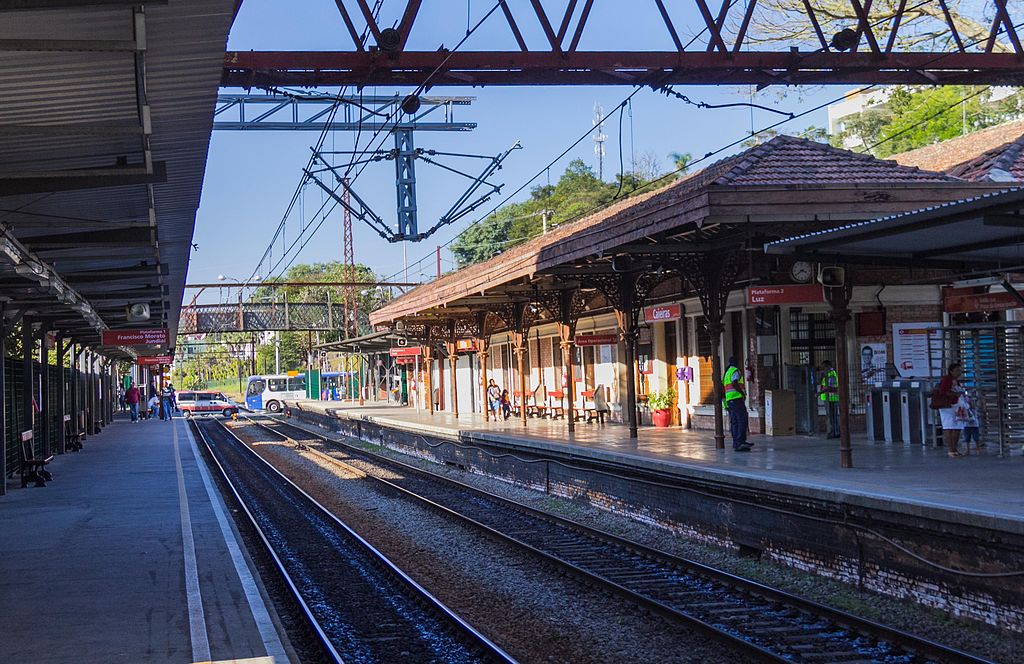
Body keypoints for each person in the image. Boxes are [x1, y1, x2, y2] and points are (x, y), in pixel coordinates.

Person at [935, 363, 967, 457]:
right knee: (949, 427)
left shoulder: (956, 381)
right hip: (947, 406)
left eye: (960, 370)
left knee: (957, 427)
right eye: (957, 370)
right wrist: (954, 394)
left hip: (957, 405)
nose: (959, 372)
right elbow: (943, 391)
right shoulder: (946, 379)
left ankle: (955, 449)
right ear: (951, 371)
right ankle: (951, 450)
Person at [722, 356, 750, 451]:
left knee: (735, 421)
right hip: (736, 398)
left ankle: (736, 443)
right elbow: (734, 383)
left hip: (730, 400)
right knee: (742, 419)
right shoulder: (735, 371)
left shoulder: (727, 372)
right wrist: (742, 393)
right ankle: (740, 442)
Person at [819, 360, 840, 439]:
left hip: (831, 398)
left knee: (832, 417)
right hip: (829, 398)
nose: (822, 369)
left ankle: (833, 432)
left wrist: (819, 393)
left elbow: (829, 387)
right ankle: (835, 431)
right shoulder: (827, 374)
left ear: (827, 367)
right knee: (832, 416)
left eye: (823, 367)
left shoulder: (831, 374)